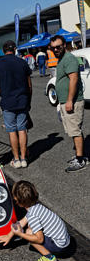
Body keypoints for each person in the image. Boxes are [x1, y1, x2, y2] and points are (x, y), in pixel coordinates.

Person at [0, 181, 70, 261]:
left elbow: (39, 239)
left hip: (59, 246)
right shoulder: (36, 206)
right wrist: (9, 236)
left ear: (19, 202)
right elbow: (22, 222)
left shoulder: (33, 216)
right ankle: (53, 251)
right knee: (30, 229)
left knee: (29, 234)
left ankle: (51, 259)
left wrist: (20, 234)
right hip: (64, 241)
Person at [0, 40, 32, 169]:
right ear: (14, 49)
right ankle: (24, 158)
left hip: (7, 101)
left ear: (3, 50)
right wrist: (28, 100)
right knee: (22, 129)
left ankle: (16, 159)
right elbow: (29, 86)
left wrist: (4, 95)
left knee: (11, 130)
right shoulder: (22, 62)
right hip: (22, 100)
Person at [50, 35, 88, 172]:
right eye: (53, 47)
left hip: (72, 101)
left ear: (64, 45)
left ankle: (80, 159)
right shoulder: (61, 59)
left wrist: (69, 100)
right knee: (72, 130)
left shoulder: (69, 59)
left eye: (58, 46)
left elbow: (74, 79)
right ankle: (79, 156)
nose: (56, 49)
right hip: (65, 101)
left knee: (75, 130)